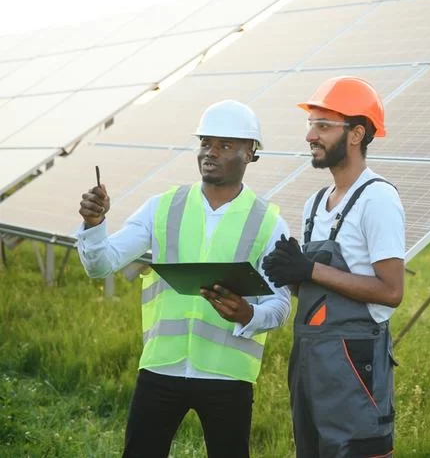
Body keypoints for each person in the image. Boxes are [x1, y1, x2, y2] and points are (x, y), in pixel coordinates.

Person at [76, 99, 291, 458]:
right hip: (161, 367)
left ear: (251, 153)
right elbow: (101, 265)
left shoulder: (269, 223)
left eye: (225, 145)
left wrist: (248, 315)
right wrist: (94, 226)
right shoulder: (162, 206)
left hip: (228, 376)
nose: (211, 152)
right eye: (206, 143)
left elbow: (281, 304)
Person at [263, 76, 405, 457]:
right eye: (311, 125)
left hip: (355, 364)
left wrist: (310, 270)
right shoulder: (315, 202)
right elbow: (317, 290)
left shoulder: (378, 200)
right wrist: (290, 275)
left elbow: (392, 292)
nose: (311, 136)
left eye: (323, 126)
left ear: (357, 134)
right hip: (310, 362)